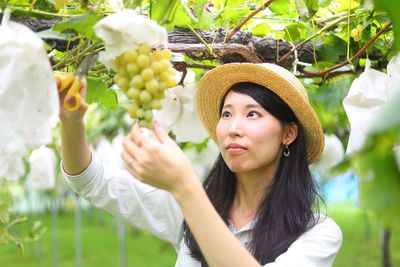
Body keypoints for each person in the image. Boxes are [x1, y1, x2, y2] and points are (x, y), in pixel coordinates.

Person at [58, 63, 342, 267]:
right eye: (227, 114)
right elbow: (91, 181)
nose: (233, 128)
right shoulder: (189, 208)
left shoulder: (318, 234)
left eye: (253, 114)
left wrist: (185, 186)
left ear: (288, 133)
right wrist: (71, 123)